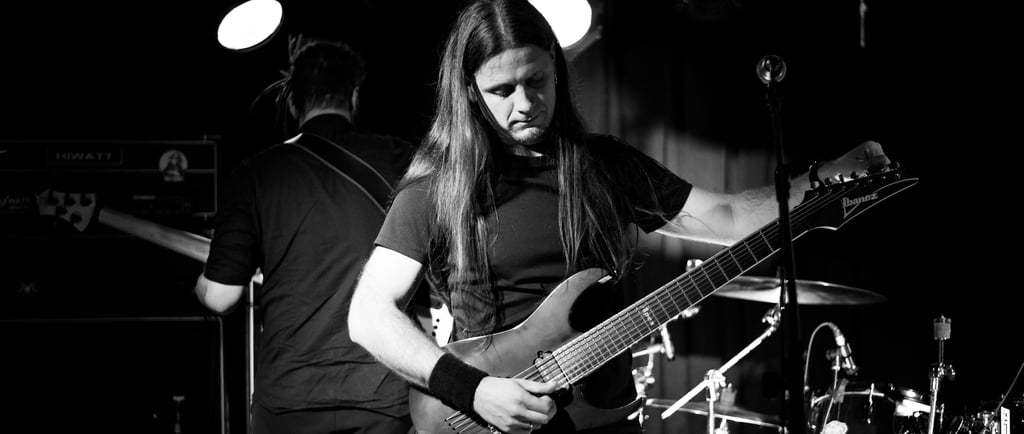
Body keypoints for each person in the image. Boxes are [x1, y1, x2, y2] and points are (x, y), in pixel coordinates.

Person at [348, 0, 891, 433]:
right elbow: (369, 315)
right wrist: (475, 390)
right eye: (502, 90)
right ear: (470, 93)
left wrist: (818, 181)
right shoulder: (440, 186)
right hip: (488, 416)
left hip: (605, 417)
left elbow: (724, 216)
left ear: (558, 73)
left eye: (536, 81)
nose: (524, 103)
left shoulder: (605, 165)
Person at [195, 36, 416, 433]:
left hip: (289, 399)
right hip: (382, 393)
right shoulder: (401, 159)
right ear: (354, 95)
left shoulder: (256, 173)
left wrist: (201, 284)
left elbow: (222, 296)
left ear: (294, 102)